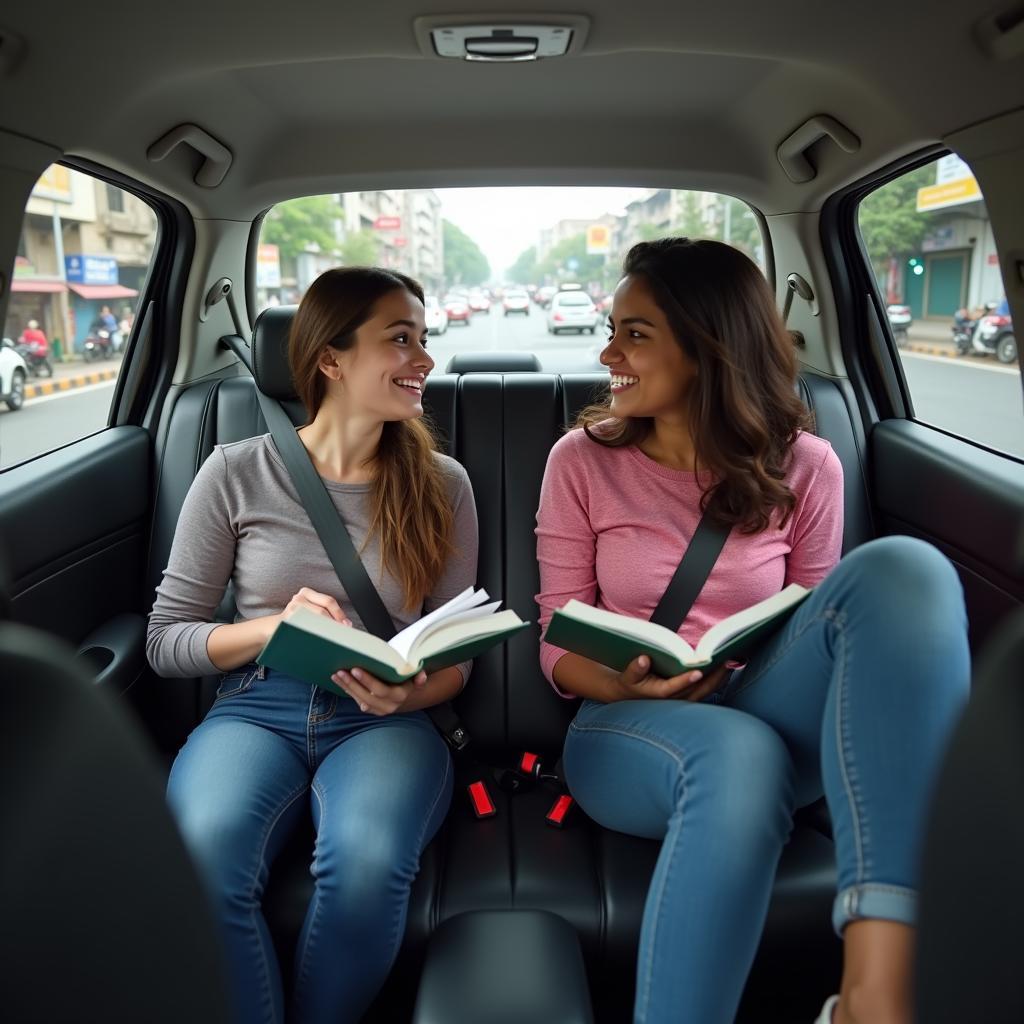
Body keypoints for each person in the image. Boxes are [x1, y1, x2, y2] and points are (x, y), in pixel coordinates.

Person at [535, 238, 969, 1024]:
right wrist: (625, 678)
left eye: (635, 332)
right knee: (741, 756)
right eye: (612, 328)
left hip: (761, 700)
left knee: (908, 569)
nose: (607, 352)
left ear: (708, 348)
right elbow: (555, 640)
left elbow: (813, 623)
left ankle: (875, 996)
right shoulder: (580, 461)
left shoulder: (808, 466)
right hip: (621, 725)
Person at [147, 267, 479, 1024]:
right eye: (400, 339)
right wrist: (272, 629)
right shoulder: (235, 471)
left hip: (387, 718)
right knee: (200, 860)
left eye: (425, 340)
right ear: (330, 359)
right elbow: (167, 641)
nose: (424, 358)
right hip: (255, 709)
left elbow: (456, 660)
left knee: (365, 865)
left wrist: (410, 690)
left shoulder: (444, 483)